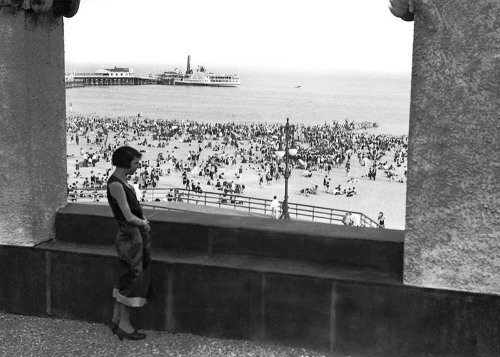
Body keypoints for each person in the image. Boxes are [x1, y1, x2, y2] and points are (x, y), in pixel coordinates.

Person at [107, 146, 151, 341]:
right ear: (126, 163)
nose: (138, 166)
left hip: (130, 236)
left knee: (126, 276)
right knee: (133, 278)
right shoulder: (116, 184)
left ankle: (116, 320)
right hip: (130, 236)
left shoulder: (120, 181)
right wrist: (143, 223)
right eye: (135, 163)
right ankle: (125, 325)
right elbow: (127, 215)